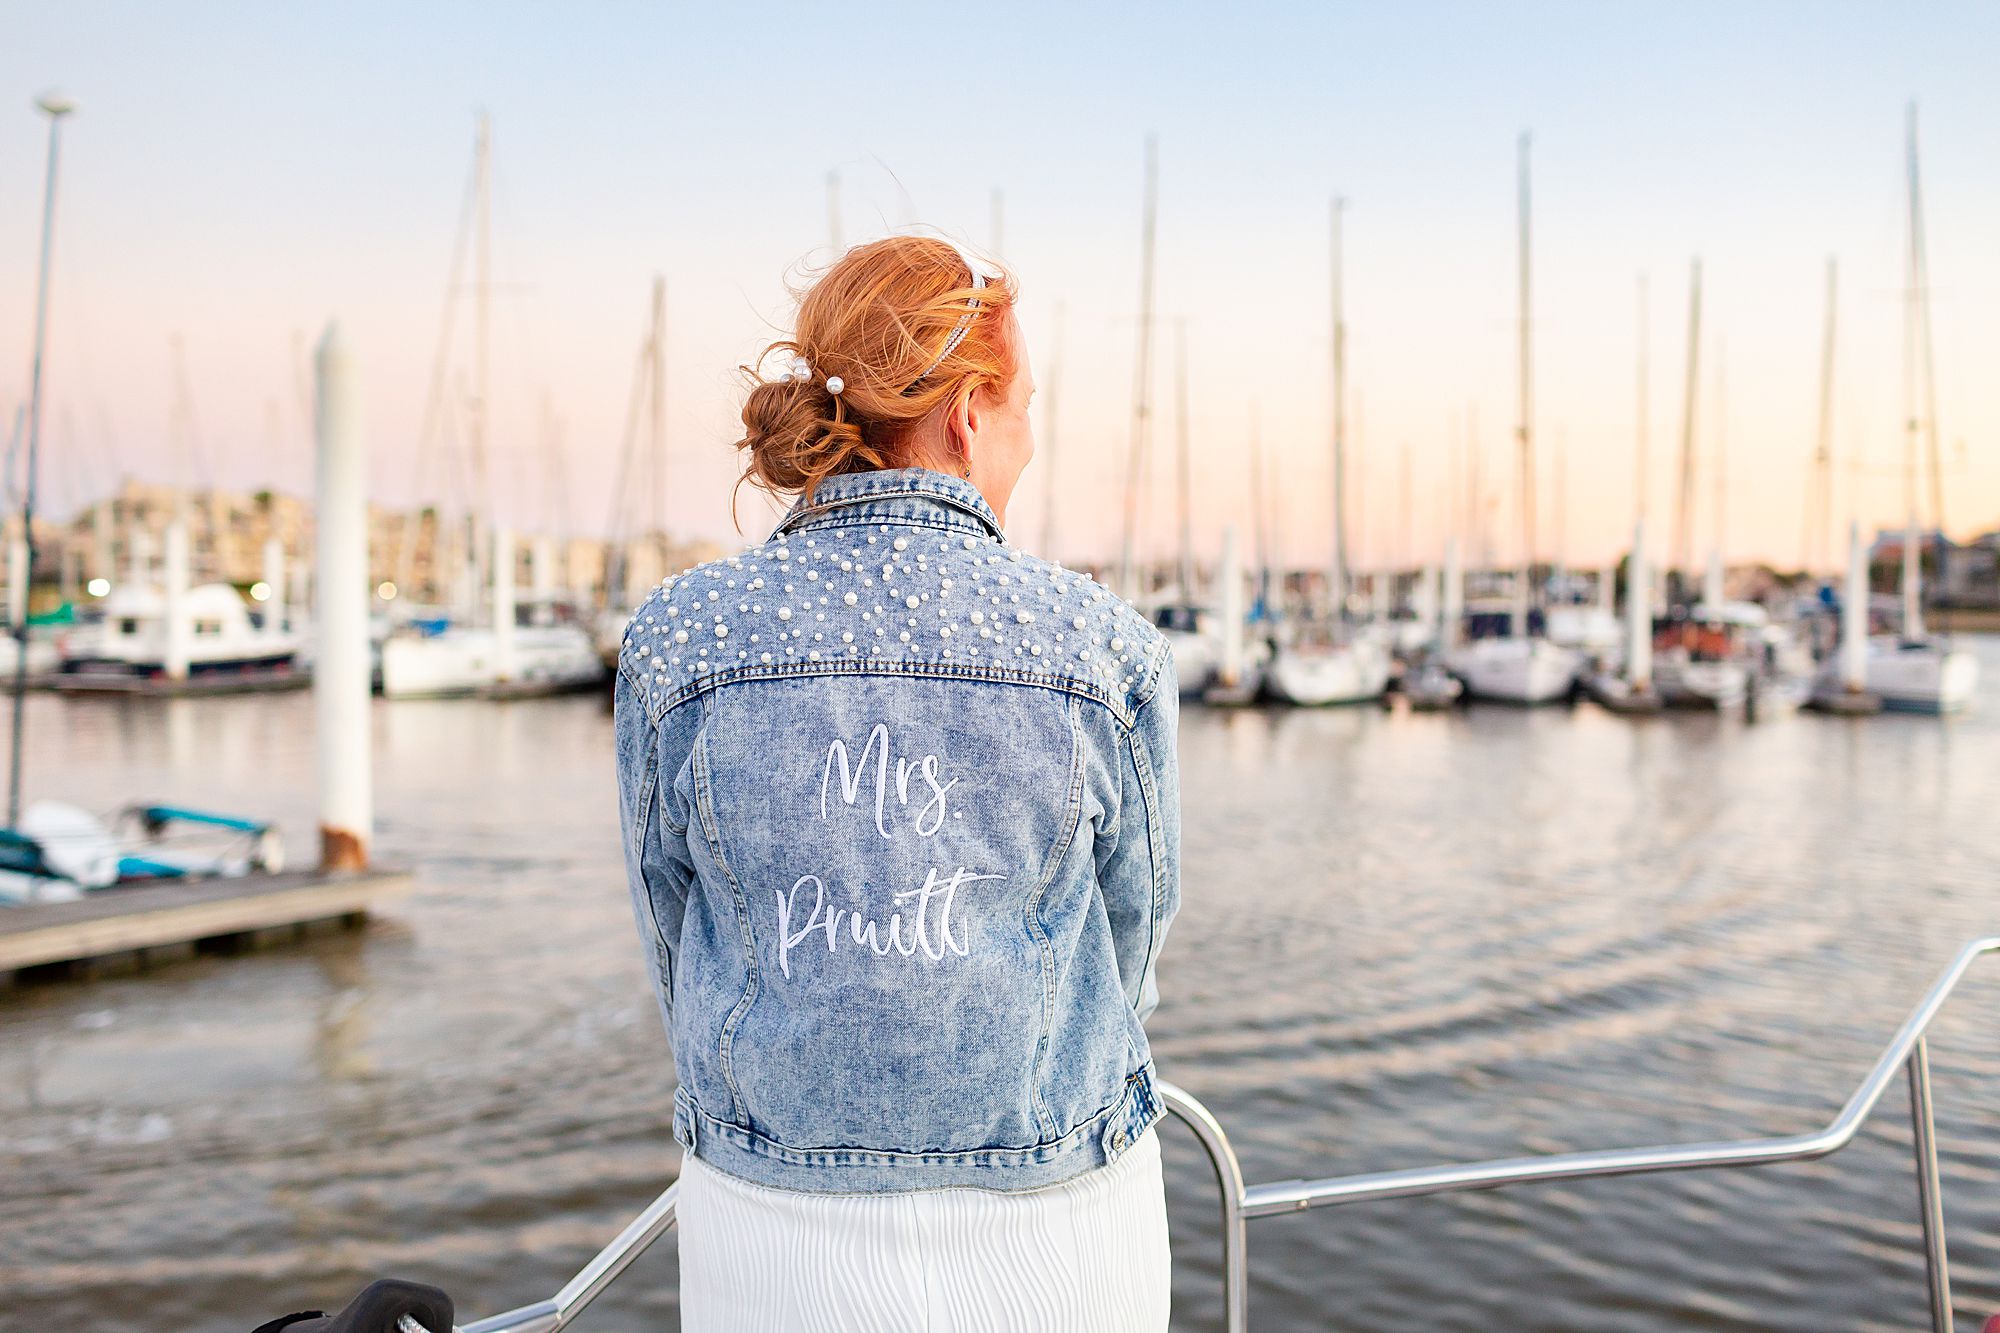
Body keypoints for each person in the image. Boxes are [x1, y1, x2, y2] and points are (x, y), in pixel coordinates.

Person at [613, 234, 1181, 1332]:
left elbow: (672, 937)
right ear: (968, 414)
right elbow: (1132, 946)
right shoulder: (1100, 647)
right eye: (1023, 409)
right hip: (1057, 1218)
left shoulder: (680, 640)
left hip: (768, 1229)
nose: (1027, 442)